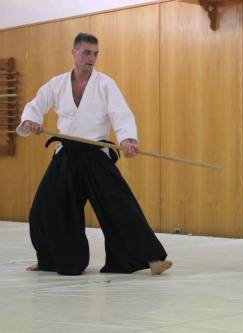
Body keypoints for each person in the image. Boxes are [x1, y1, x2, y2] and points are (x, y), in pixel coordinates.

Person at [16, 33, 172, 276]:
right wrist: (30, 121)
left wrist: (127, 139)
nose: (91, 58)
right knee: (44, 208)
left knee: (120, 205)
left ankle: (152, 259)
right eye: (87, 52)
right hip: (66, 154)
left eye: (95, 53)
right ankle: (52, 260)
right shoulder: (57, 84)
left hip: (95, 153)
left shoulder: (105, 84)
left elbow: (120, 113)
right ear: (74, 53)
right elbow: (34, 106)